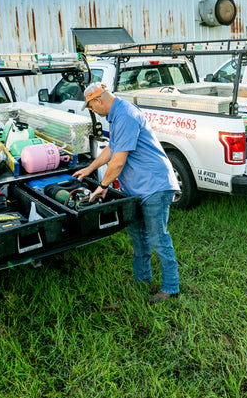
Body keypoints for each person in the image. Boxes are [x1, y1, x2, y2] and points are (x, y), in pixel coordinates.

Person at [74, 82, 181, 304]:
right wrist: (90, 168)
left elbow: (118, 162)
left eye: (91, 106)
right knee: (138, 236)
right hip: (137, 188)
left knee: (158, 238)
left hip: (154, 185)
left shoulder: (125, 115)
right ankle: (142, 279)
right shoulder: (118, 114)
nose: (92, 110)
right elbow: (112, 148)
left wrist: (102, 186)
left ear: (99, 100)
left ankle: (170, 287)